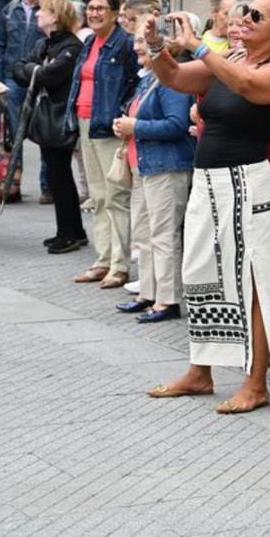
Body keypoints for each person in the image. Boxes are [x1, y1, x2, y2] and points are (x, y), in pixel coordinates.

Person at [145, 0, 270, 414]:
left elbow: (247, 86)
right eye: (244, 11)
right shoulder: (229, 58)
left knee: (254, 281)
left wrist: (200, 46)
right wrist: (158, 46)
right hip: (208, 181)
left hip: (248, 183)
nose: (244, 18)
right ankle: (201, 370)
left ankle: (256, 382)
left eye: (256, 15)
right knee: (200, 271)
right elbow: (174, 78)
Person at [111, 32, 195, 323]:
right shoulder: (148, 77)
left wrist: (136, 125)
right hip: (143, 165)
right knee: (144, 234)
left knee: (163, 235)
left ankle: (168, 299)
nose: (135, 47)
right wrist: (124, 125)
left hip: (166, 165)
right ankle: (148, 293)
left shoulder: (171, 80)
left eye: (141, 42)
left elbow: (176, 125)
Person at [64, 0, 139, 288]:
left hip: (109, 126)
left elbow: (135, 83)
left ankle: (119, 265)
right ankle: (102, 259)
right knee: (96, 196)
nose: (94, 13)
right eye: (90, 8)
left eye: (100, 8)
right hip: (86, 122)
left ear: (114, 11)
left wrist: (122, 115)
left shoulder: (125, 44)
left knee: (115, 196)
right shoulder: (90, 42)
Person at [12, 0, 88, 254]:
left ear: (55, 16)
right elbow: (18, 69)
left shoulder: (71, 47)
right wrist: (35, 70)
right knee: (57, 175)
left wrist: (34, 71)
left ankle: (70, 233)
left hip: (60, 119)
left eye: (43, 11)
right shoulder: (45, 44)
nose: (37, 15)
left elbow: (49, 75)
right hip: (47, 117)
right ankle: (68, 230)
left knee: (60, 176)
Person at [0, 0, 51, 201]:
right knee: (14, 134)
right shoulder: (10, 9)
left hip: (44, 77)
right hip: (13, 78)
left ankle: (47, 187)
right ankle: (11, 186)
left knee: (46, 132)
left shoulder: (50, 9)